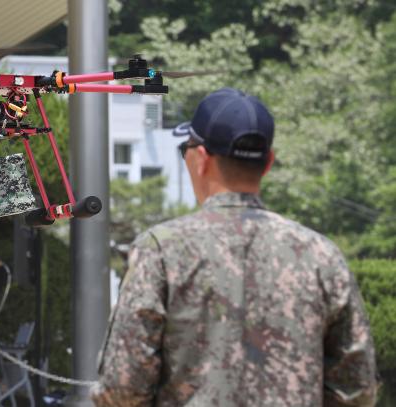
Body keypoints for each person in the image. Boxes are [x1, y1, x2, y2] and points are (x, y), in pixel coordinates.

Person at [91, 88, 379, 406]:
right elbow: (357, 389)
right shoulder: (322, 256)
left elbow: (121, 388)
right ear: (268, 162)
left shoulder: (162, 251)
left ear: (200, 159)